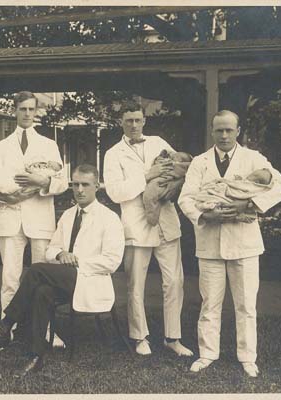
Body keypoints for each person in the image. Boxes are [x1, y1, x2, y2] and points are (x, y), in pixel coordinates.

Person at [0, 164, 125, 377]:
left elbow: (112, 261)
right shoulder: (69, 215)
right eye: (75, 184)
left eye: (85, 185)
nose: (79, 189)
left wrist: (77, 261)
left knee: (37, 270)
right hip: (69, 281)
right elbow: (52, 249)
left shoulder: (109, 218)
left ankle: (4, 326)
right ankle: (36, 356)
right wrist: (61, 255)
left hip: (94, 282)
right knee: (42, 292)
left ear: (97, 186)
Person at [178, 110, 281, 377]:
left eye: (229, 130)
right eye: (219, 130)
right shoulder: (201, 162)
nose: (224, 135)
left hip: (245, 243)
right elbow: (185, 198)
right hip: (210, 243)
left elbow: (279, 185)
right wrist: (205, 214)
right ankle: (207, 354)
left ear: (238, 131)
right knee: (210, 303)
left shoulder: (253, 158)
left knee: (246, 304)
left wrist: (249, 203)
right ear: (212, 131)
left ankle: (248, 357)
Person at [0, 91, 68, 349]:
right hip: (9, 217)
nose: (27, 114)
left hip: (39, 218)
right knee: (10, 277)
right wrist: (1, 195)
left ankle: (46, 332)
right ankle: (6, 331)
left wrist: (43, 182)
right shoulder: (2, 146)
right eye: (22, 109)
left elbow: (62, 182)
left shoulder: (48, 145)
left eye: (31, 109)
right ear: (15, 111)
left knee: (43, 280)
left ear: (36, 111)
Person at [103, 101, 192, 357]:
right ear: (121, 121)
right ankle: (139, 336)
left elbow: (181, 170)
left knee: (174, 281)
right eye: (128, 120)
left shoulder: (159, 143)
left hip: (166, 221)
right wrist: (147, 174)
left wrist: (168, 185)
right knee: (135, 284)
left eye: (137, 120)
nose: (133, 125)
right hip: (136, 224)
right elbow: (116, 192)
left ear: (144, 121)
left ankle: (172, 337)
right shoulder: (113, 153)